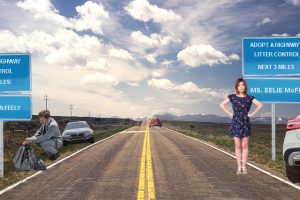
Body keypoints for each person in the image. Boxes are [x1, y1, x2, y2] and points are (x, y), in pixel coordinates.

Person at [219, 78, 263, 175]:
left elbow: (260, 105)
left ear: (245, 86)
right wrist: (229, 113)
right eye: (239, 85)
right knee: (238, 146)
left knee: (245, 145)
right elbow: (221, 104)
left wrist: (251, 114)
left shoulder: (249, 98)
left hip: (245, 122)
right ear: (237, 87)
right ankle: (239, 167)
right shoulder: (232, 97)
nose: (241, 87)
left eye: (243, 85)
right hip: (236, 121)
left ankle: (244, 166)